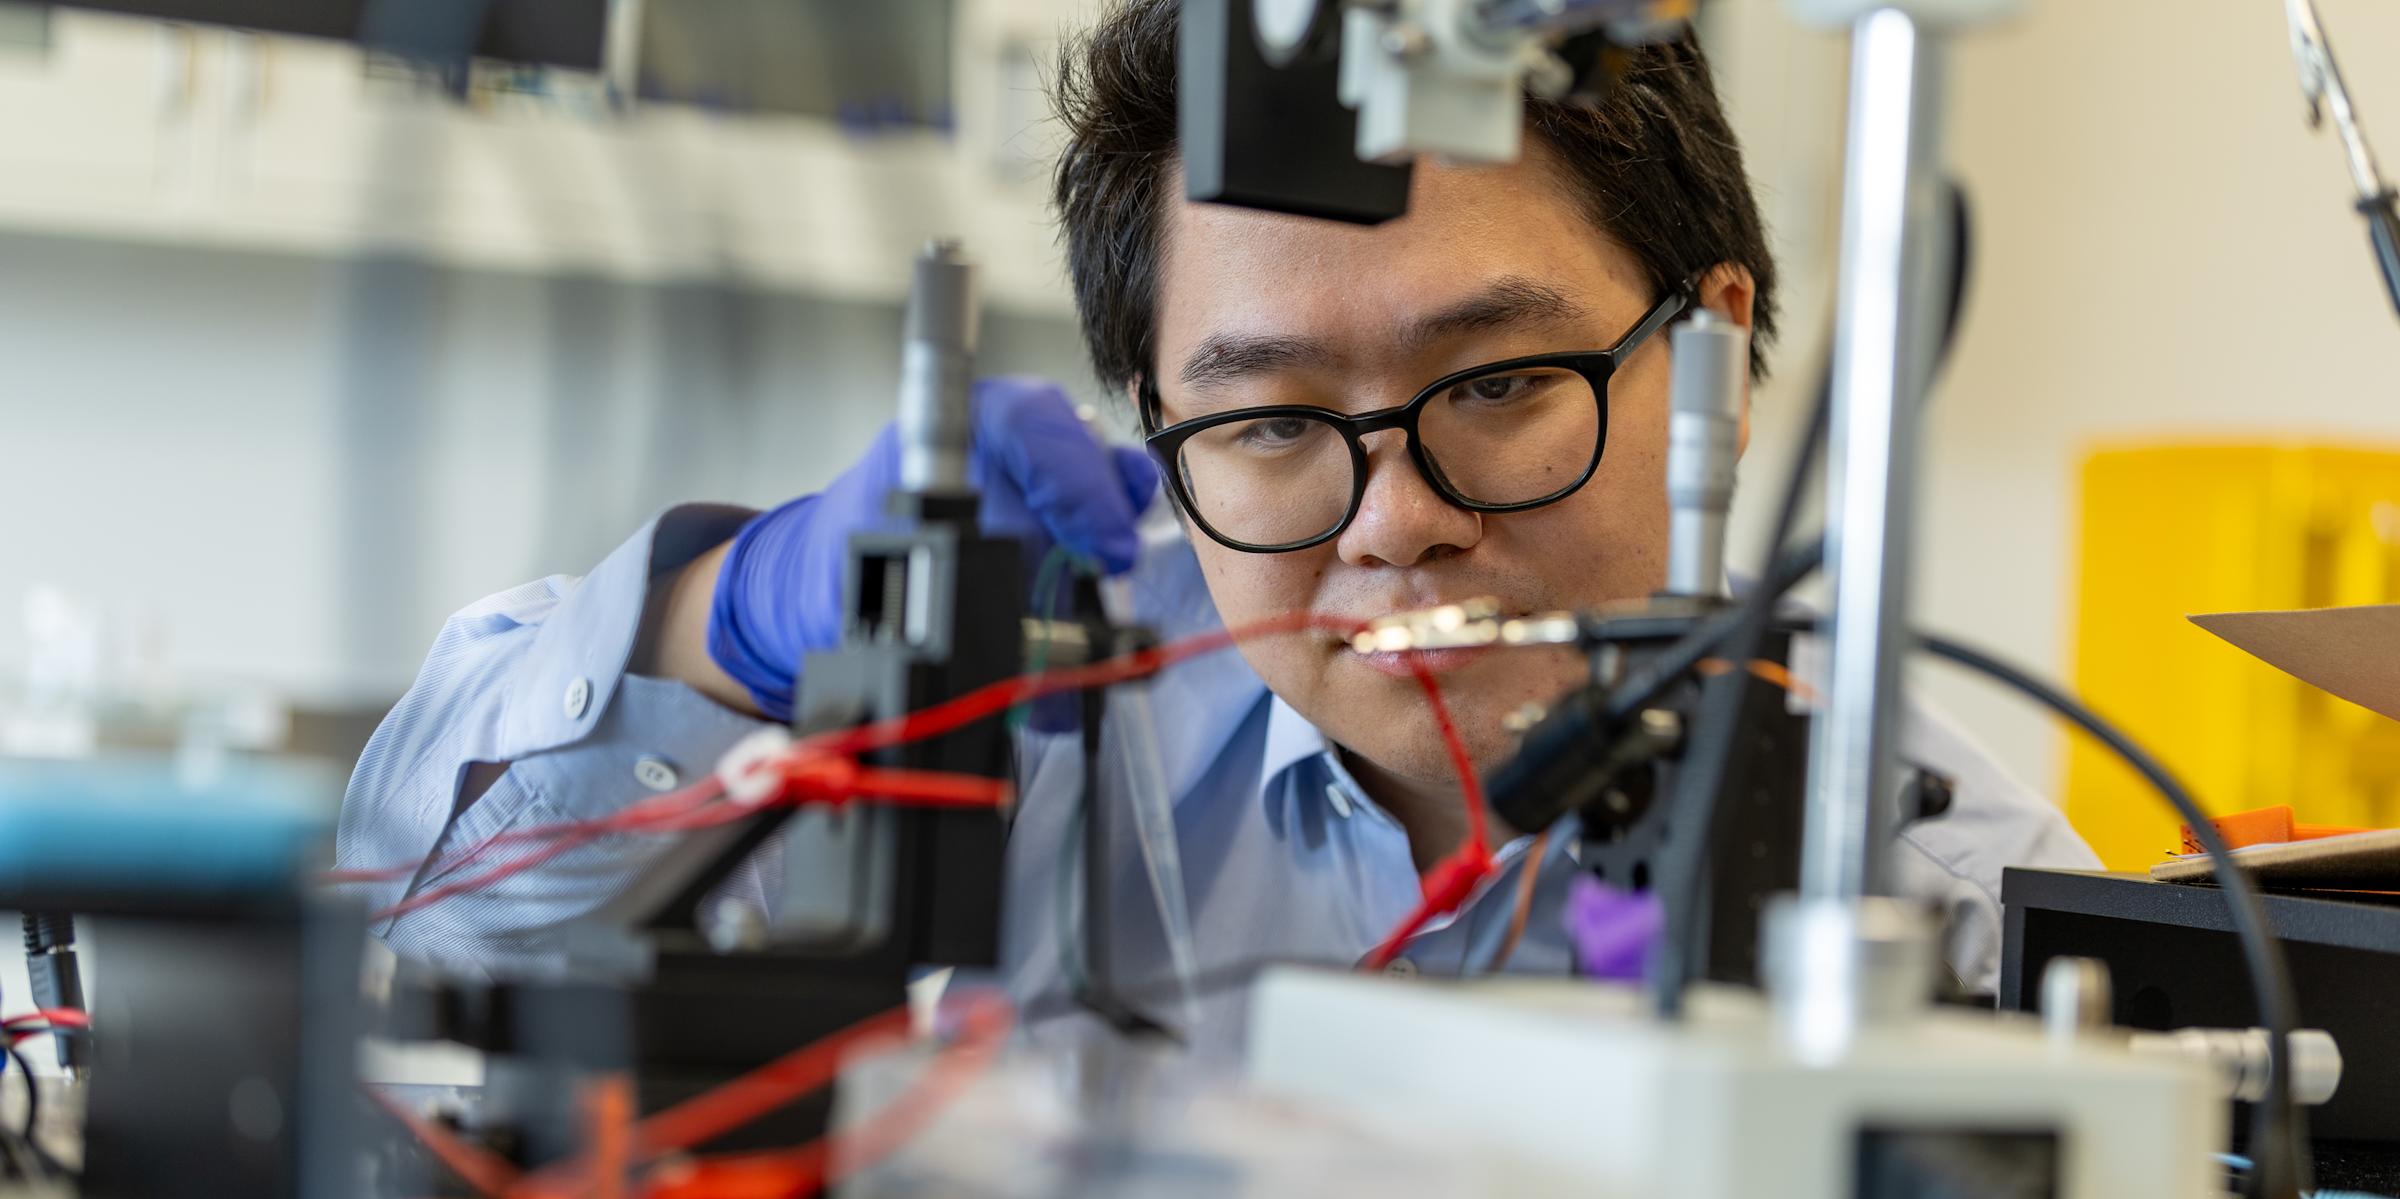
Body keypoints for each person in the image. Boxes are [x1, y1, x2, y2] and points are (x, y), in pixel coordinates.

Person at [337, 0, 2096, 1049]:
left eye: (1495, 387)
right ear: (1152, 425)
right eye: (1267, 422)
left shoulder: (1945, 907)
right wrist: (723, 620)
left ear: (1707, 343)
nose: (1398, 518)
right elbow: (424, 911)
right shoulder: (1024, 743)